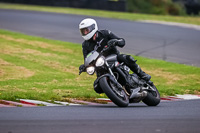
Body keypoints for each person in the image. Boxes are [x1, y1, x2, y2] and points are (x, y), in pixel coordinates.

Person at [79, 18, 151, 82]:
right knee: (97, 86)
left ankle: (142, 74)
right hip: (100, 65)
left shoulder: (105, 33)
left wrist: (116, 42)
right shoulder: (85, 45)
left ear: (93, 27)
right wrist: (84, 66)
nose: (85, 33)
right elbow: (87, 58)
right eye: (83, 31)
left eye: (86, 30)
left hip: (114, 57)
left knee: (126, 58)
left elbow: (121, 41)